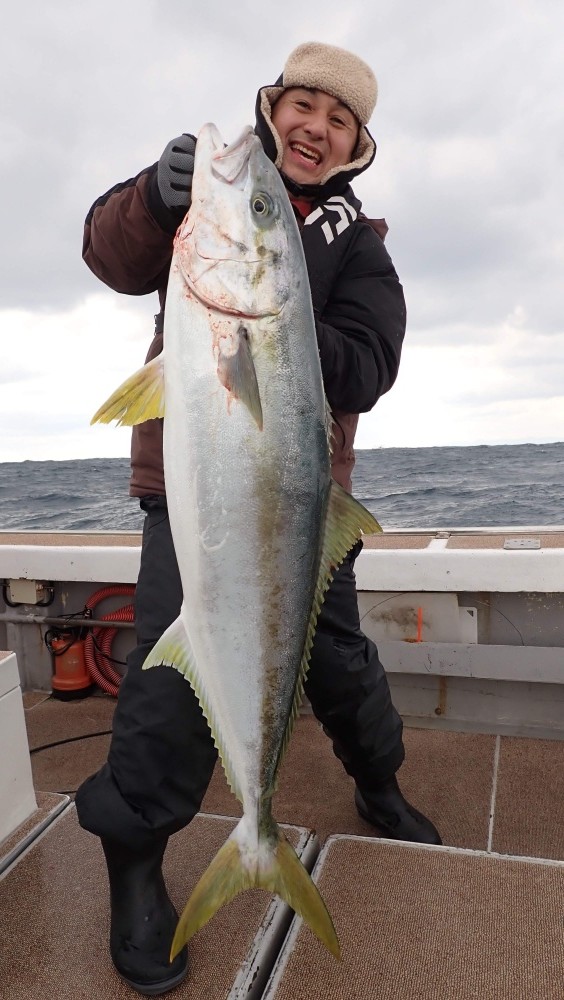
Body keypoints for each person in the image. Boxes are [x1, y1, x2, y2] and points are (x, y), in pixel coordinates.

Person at [76, 41, 441, 996]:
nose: (316, 128)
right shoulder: (207, 202)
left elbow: (371, 363)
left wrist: (274, 316)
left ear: (358, 145)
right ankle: (138, 867)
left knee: (341, 663)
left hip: (305, 506)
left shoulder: (361, 248)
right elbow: (108, 254)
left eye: (341, 120)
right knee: (168, 687)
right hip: (192, 502)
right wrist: (153, 195)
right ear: (273, 109)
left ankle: (378, 780)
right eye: (303, 105)